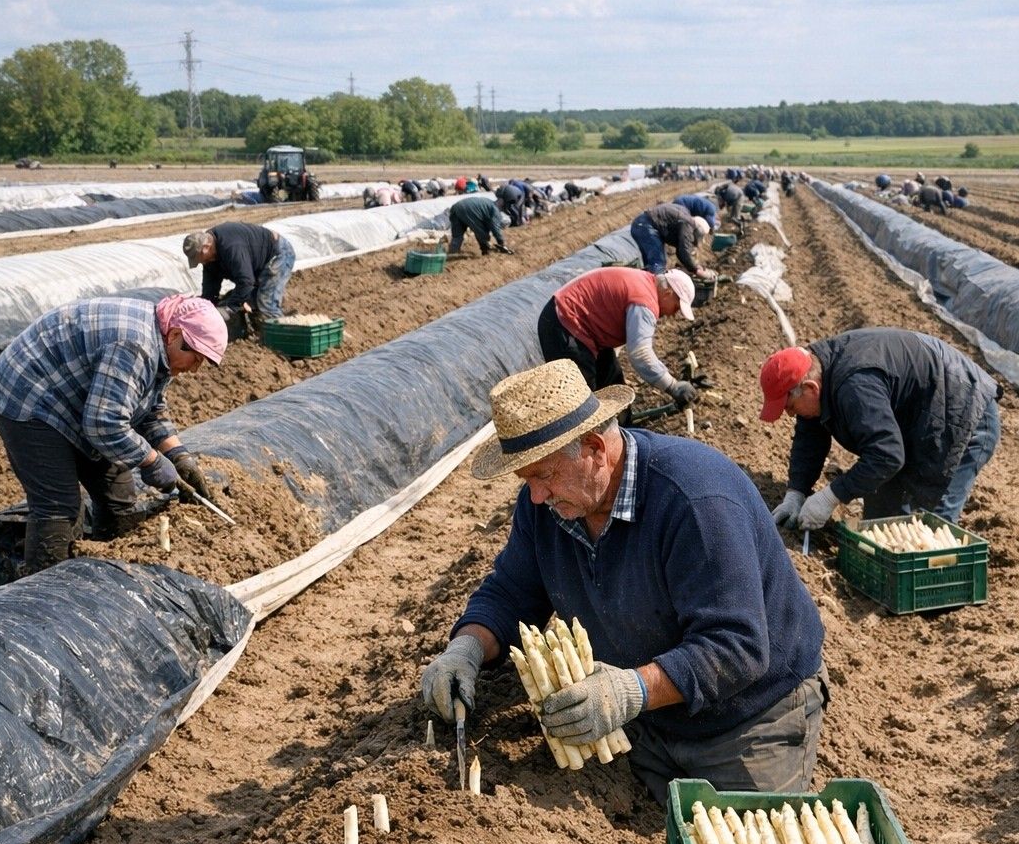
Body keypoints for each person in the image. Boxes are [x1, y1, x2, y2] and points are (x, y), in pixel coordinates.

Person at [420, 361, 827, 804]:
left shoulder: (695, 500)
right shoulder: (547, 506)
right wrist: (467, 647)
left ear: (595, 448)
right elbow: (512, 592)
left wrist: (629, 690)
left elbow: (737, 646)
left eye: (544, 474)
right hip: (644, 719)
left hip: (748, 716)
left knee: (744, 841)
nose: (535, 495)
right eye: (526, 479)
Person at [0, 295, 227, 573]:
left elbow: (148, 408)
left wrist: (178, 455)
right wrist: (151, 460)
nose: (195, 368)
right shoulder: (136, 347)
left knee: (118, 496)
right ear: (176, 335)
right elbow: (104, 424)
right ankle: (49, 589)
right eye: (195, 358)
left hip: (81, 399)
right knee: (60, 506)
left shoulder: (164, 346)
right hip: (30, 395)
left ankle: (106, 574)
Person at [760, 329, 1002, 530]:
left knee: (931, 530)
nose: (790, 415)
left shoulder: (855, 386)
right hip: (917, 418)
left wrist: (831, 496)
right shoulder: (815, 369)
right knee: (881, 525)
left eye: (790, 407)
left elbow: (887, 455)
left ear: (811, 388)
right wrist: (797, 491)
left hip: (962, 413)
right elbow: (811, 435)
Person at [538, 267, 699, 408]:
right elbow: (640, 354)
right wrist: (672, 386)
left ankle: (624, 428)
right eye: (676, 307)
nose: (673, 314)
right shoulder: (645, 302)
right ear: (668, 293)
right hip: (565, 324)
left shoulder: (645, 282)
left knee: (614, 389)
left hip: (583, 327)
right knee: (583, 400)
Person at [183, 223, 297, 322]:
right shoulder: (210, 256)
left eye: (198, 258)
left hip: (277, 254)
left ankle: (280, 332)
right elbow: (211, 285)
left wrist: (230, 308)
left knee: (266, 302)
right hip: (255, 264)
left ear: (206, 248)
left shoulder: (231, 247)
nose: (200, 262)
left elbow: (246, 282)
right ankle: (260, 325)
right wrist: (207, 306)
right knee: (242, 298)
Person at [629, 204, 713, 278]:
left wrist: (693, 266)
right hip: (646, 226)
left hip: (642, 224)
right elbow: (684, 250)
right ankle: (655, 287)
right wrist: (696, 270)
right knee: (658, 263)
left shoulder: (685, 218)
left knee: (651, 264)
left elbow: (681, 250)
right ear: (698, 231)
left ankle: (644, 283)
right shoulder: (687, 225)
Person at [447, 194, 513, 255]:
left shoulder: (488, 203)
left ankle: (453, 253)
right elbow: (495, 228)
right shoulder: (495, 211)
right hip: (470, 210)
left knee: (457, 235)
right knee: (481, 232)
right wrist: (501, 242)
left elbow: (488, 223)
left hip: (456, 207)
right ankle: (485, 250)